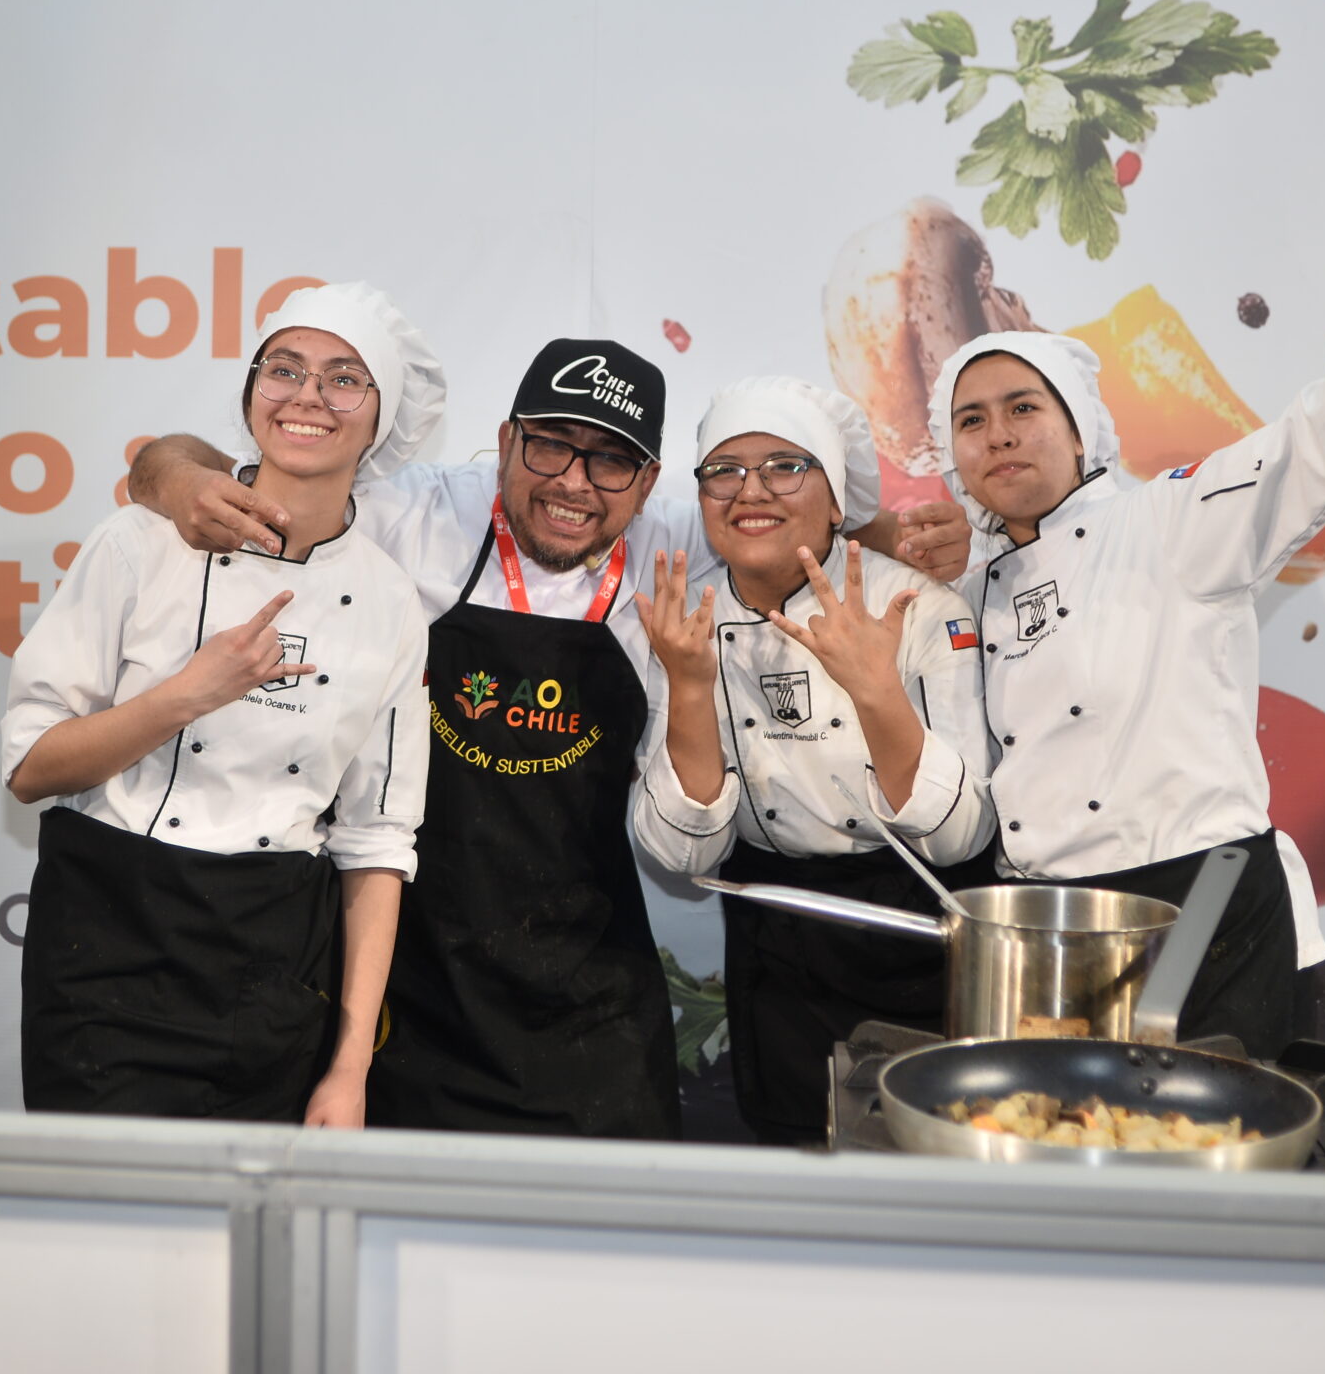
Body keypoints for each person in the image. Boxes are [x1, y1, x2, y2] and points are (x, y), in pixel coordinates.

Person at [130, 338, 975, 1138]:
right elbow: (194, 466)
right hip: (414, 979)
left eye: (609, 460)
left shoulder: (682, 544)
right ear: (506, 441)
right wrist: (175, 478)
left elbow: (792, 527)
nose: (575, 482)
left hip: (588, 992)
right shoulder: (414, 511)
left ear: (649, 484)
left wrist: (896, 539)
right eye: (549, 446)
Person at [915, 146, 1325, 1058]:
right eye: (972, 420)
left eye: (1023, 408)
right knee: (1062, 1135)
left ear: (1079, 428)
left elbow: (1316, 448)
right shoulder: (969, 593)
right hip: (1048, 925)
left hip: (1204, 911)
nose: (998, 434)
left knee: (1214, 1140)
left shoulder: (1171, 519)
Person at [2, 283, 442, 1124]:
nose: (307, 396)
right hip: (107, 940)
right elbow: (30, 767)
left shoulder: (389, 604)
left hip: (272, 965)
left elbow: (377, 843)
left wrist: (350, 1068)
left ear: (381, 422)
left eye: (345, 379)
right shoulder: (139, 541)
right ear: (250, 394)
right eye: (285, 368)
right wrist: (184, 695)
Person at [632, 377, 993, 1146]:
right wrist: (689, 686)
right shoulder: (682, 617)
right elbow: (680, 854)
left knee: (928, 1160)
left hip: (917, 927)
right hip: (778, 942)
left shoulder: (922, 608)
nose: (750, 490)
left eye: (785, 465)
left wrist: (876, 691)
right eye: (724, 470)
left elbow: (960, 835)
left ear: (838, 502)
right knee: (793, 1163)